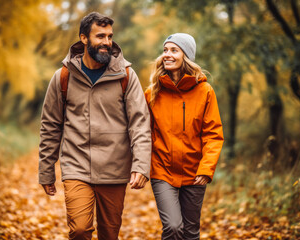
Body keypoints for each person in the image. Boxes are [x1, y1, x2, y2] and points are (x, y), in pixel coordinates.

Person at [38, 12, 151, 240]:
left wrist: (140, 165)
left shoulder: (126, 75)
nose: (107, 42)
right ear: (84, 39)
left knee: (109, 234)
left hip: (114, 169)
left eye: (109, 36)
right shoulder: (63, 76)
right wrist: (46, 170)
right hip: (76, 166)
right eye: (100, 36)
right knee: (79, 230)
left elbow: (140, 124)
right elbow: (50, 126)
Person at [145, 33, 224, 240]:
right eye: (165, 50)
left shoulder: (205, 91)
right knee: (173, 227)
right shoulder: (152, 93)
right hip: (162, 171)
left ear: (186, 56)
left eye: (173, 50)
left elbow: (213, 134)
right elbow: (141, 132)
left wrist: (206, 169)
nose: (167, 55)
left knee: (190, 233)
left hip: (195, 172)